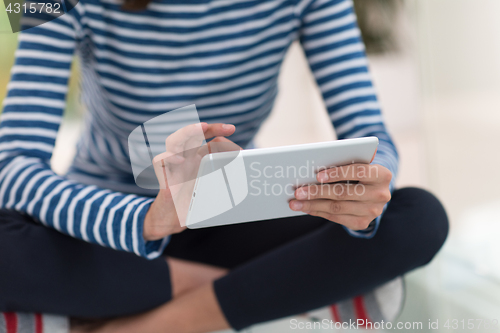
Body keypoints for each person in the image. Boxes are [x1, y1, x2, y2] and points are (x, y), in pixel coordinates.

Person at [0, 0, 449, 332]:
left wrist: (365, 187)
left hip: (232, 214)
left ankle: (139, 324)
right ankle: (277, 290)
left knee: (417, 217)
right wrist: (147, 219)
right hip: (109, 230)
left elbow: (373, 136)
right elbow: (13, 165)